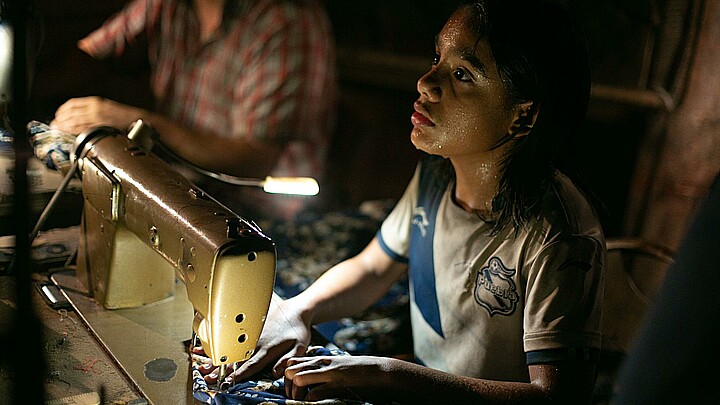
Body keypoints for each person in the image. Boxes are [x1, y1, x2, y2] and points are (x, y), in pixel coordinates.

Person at [200, 0, 605, 403]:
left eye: (462, 74)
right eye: (437, 58)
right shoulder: (436, 174)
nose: (426, 81)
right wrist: (296, 312)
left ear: (523, 117)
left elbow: (557, 397)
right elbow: (374, 266)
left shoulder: (559, 237)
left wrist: (388, 373)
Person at [49, 0, 337, 221]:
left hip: (263, 215)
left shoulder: (286, 21)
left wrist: (133, 119)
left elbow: (253, 159)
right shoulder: (170, 4)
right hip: (183, 189)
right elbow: (91, 52)